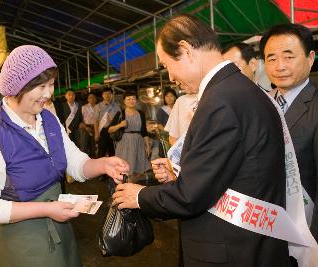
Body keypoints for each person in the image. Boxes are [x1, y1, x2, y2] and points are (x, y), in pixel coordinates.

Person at [112, 14, 290, 266]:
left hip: (229, 249)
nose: (171, 78)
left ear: (185, 50)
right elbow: (233, 171)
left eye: (166, 65)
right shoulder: (241, 90)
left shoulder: (219, 101)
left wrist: (139, 195)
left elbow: (190, 197)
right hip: (253, 242)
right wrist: (182, 176)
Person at [0, 45, 129, 267]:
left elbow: (74, 161)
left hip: (60, 226)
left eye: (51, 84)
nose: (49, 93)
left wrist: (102, 164)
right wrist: (46, 209)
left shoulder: (48, 119)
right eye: (42, 86)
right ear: (17, 88)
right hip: (23, 240)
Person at [261, 23, 318, 243]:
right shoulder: (260, 102)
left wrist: (313, 242)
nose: (279, 66)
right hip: (265, 226)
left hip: (303, 232)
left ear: (310, 58)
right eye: (271, 58)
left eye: (288, 56)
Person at [108, 91, 150, 178]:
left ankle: (132, 187)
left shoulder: (141, 113)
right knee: (124, 169)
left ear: (136, 101)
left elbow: (144, 131)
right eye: (128, 99)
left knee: (138, 170)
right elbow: (110, 130)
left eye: (133, 99)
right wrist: (120, 125)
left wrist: (147, 145)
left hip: (139, 143)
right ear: (124, 101)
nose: (131, 101)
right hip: (125, 144)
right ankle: (123, 187)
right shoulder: (120, 113)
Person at [93, 87, 120, 157]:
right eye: (105, 94)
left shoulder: (117, 106)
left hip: (113, 131)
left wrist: (113, 120)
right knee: (101, 151)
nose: (107, 95)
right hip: (102, 131)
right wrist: (96, 133)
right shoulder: (98, 106)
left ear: (112, 95)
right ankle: (100, 167)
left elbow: (120, 119)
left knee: (113, 151)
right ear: (102, 95)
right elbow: (95, 121)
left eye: (109, 94)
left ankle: (112, 167)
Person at [156, 88, 177, 155]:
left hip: (178, 136)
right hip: (166, 137)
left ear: (175, 97)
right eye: (167, 96)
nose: (169, 98)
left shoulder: (178, 108)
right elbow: (159, 125)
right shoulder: (161, 110)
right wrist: (168, 132)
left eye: (171, 96)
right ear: (164, 98)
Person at [79, 92, 97, 158]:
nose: (92, 99)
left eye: (93, 98)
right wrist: (86, 127)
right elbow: (80, 120)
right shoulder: (83, 107)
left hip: (95, 128)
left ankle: (93, 163)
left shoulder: (98, 107)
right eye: (90, 98)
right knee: (84, 146)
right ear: (88, 99)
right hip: (85, 128)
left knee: (93, 147)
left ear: (96, 99)